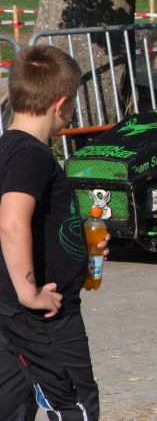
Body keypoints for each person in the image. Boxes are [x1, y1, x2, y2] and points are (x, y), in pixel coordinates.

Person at [0, 46, 110, 419]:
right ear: (61, 105)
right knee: (75, 403)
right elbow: (12, 221)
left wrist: (76, 242)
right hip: (45, 314)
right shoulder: (30, 154)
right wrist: (30, 292)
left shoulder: (8, 149)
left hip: (10, 311)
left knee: (13, 403)